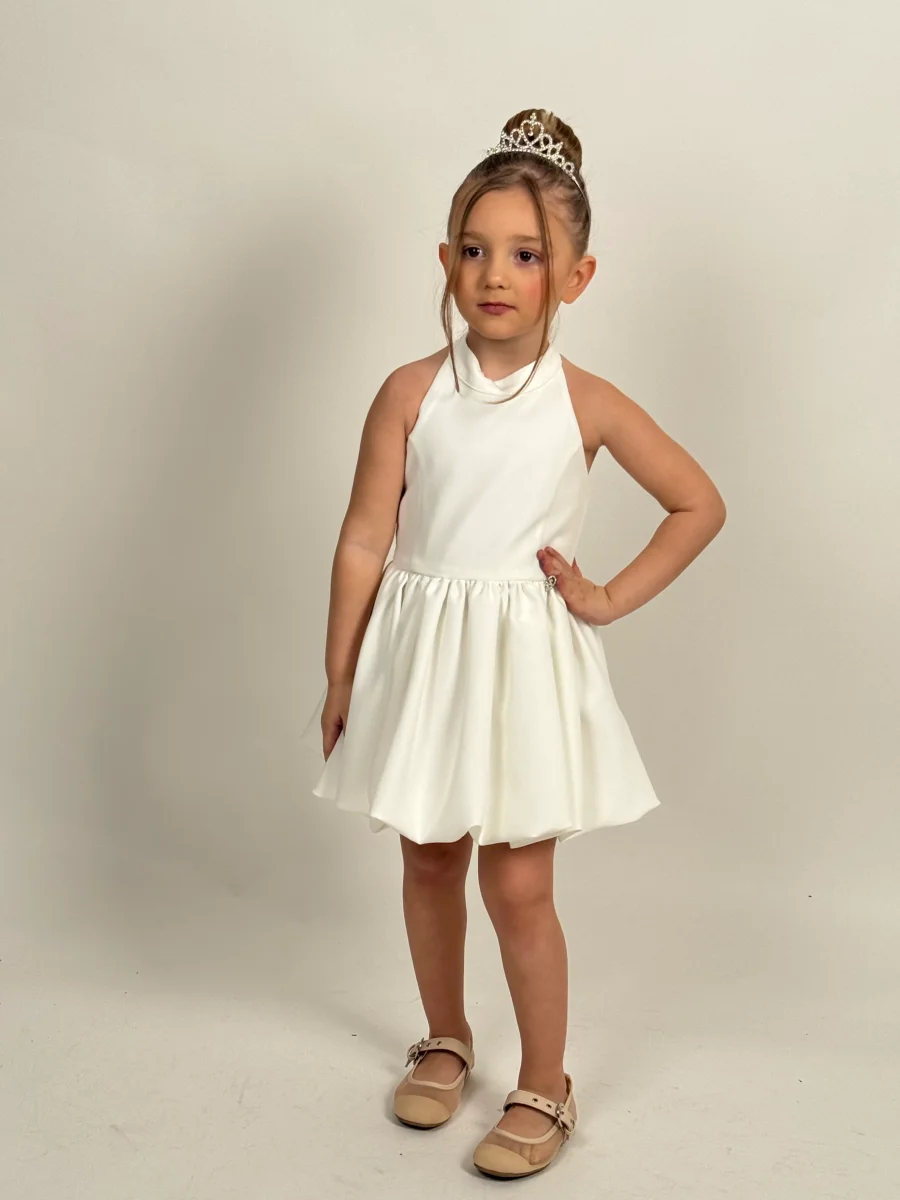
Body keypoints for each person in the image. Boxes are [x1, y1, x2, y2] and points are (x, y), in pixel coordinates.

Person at [299, 108, 726, 1178]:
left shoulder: (587, 405)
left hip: (522, 673)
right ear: (446, 259)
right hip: (423, 665)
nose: (496, 274)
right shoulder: (410, 394)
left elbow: (698, 503)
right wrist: (342, 672)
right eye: (476, 250)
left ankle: (547, 1081)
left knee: (519, 884)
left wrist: (608, 597)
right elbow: (364, 538)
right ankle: (445, 1036)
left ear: (576, 276)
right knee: (429, 855)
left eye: (527, 255)